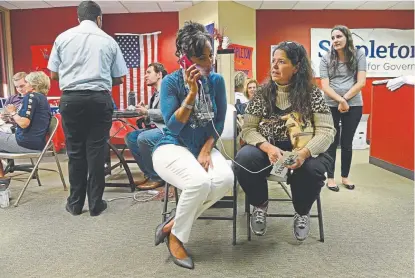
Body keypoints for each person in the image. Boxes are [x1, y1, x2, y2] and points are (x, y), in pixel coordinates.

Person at [233, 41, 335, 241]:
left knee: (312, 170)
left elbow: (326, 131)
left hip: (304, 148)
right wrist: (267, 147)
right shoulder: (262, 93)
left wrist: (304, 154)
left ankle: (302, 211)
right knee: (243, 159)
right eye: (273, 61)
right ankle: (260, 205)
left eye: (281, 62)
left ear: (296, 67)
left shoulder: (312, 93)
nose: (274, 66)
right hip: (268, 147)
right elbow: (248, 129)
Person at [152, 21, 233, 269]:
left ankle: (172, 223)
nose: (208, 63)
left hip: (204, 146)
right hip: (172, 147)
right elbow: (173, 127)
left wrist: (207, 148)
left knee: (225, 180)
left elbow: (218, 123)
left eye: (210, 56)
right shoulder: (170, 83)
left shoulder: (217, 81)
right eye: (201, 58)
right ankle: (176, 238)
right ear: (184, 58)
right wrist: (191, 93)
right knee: (199, 182)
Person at [48, 1, 128, 216]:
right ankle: (95, 205)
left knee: (75, 152)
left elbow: (54, 75)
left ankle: (75, 204)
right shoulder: (108, 41)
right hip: (98, 99)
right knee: (96, 151)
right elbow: (119, 77)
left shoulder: (62, 38)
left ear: (78, 18)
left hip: (71, 100)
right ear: (99, 18)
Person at [320, 25, 367, 192]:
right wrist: (340, 100)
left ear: (347, 37)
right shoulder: (326, 58)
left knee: (347, 143)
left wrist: (345, 100)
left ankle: (345, 177)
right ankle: (330, 178)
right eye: (333, 38)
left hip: (353, 104)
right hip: (331, 104)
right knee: (331, 142)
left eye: (339, 36)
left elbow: (361, 82)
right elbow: (324, 85)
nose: (335, 41)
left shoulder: (359, 54)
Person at [0, 71, 51, 186]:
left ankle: (1, 180)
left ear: (34, 84)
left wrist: (13, 112)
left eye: (26, 82)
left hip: (27, 143)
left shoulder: (31, 96)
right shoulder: (42, 98)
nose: (24, 85)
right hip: (36, 142)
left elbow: (24, 123)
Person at [124, 63, 167, 190]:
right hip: (157, 127)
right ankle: (149, 173)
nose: (145, 76)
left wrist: (147, 112)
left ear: (159, 74)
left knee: (143, 138)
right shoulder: (156, 93)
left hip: (167, 129)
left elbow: (167, 113)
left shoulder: (167, 90)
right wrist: (147, 108)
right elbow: (157, 111)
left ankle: (157, 177)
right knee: (130, 137)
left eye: (149, 72)